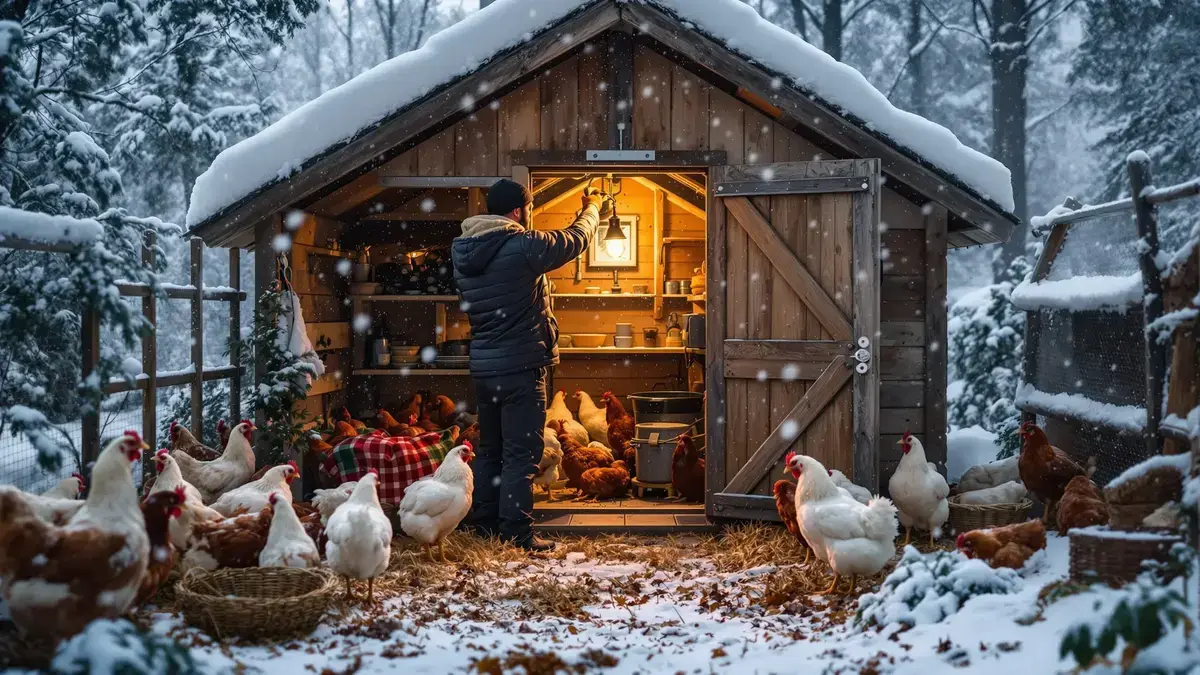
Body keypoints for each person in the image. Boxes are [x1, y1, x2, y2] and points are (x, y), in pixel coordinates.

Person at [451, 178, 605, 551]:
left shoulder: (465, 250)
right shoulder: (523, 245)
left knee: (491, 450)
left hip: (486, 368)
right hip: (521, 366)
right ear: (519, 211)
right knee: (522, 454)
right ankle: (517, 533)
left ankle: (485, 527)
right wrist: (593, 208)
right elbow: (576, 239)